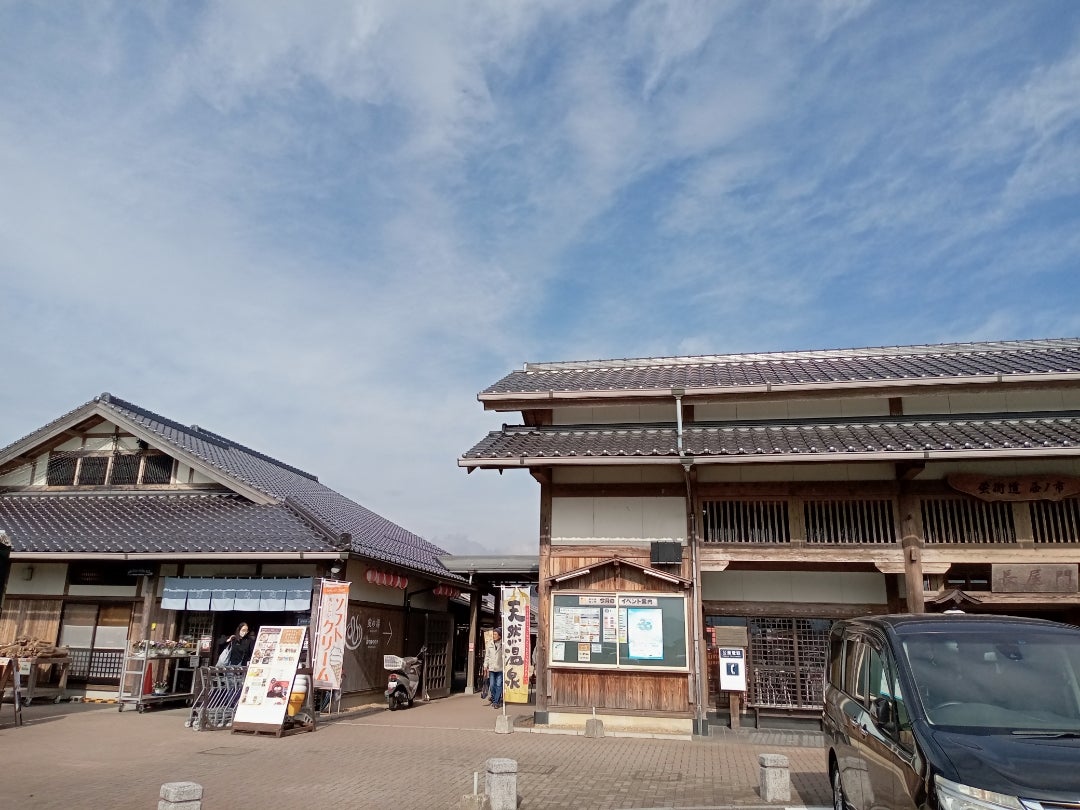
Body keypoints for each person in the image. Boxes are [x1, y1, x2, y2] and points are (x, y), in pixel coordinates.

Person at [483, 627, 504, 710]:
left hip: (500, 668)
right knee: (492, 685)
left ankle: (496, 702)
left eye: (495, 634)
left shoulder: (503, 645)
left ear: (499, 636)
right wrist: (485, 665)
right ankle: (495, 698)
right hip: (492, 668)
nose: (494, 636)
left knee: (499, 685)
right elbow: (487, 656)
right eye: (493, 634)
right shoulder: (490, 644)